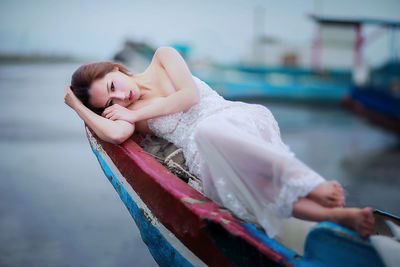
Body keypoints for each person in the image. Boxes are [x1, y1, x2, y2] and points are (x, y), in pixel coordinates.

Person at [64, 46, 374, 238]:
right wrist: (77, 106)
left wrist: (136, 113)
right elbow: (116, 135)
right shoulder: (127, 115)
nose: (121, 96)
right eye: (111, 100)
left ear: (116, 69)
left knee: (209, 131)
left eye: (113, 85)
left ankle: (313, 185)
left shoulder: (162, 58)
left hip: (233, 121)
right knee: (260, 192)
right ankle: (338, 217)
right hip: (205, 156)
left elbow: (189, 96)